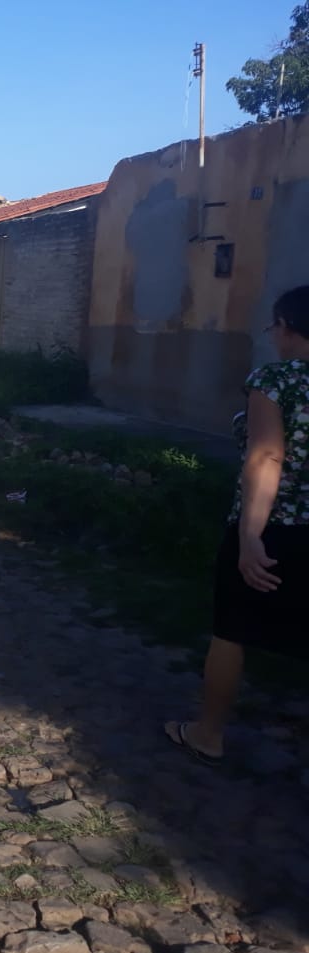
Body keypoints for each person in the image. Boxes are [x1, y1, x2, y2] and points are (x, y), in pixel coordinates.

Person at [166, 285, 309, 764]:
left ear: (287, 327)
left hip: (279, 527)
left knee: (232, 630)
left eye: (274, 326)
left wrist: (251, 536)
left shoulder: (276, 380)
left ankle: (208, 733)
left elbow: (267, 454)